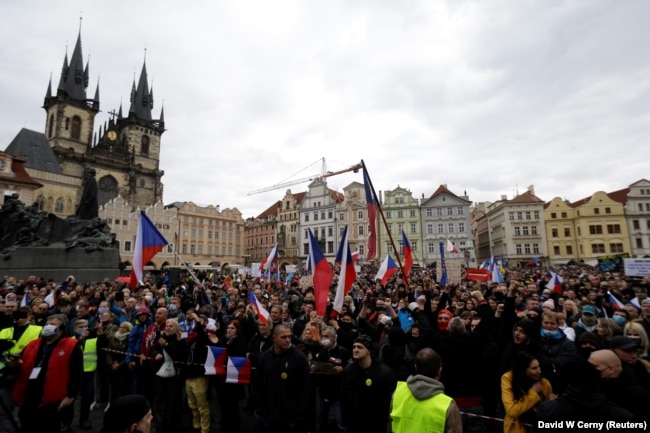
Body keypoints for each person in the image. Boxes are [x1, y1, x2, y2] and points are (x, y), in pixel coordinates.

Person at [12, 314, 83, 433]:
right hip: (29, 398)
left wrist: (71, 396)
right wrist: (14, 365)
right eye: (46, 324)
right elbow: (21, 366)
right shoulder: (32, 344)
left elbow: (76, 373)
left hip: (52, 401)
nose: (48, 327)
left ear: (61, 328)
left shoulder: (71, 345)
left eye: (52, 324)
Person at [389, 348, 462, 433]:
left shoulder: (398, 393)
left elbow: (390, 426)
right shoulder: (448, 407)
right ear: (439, 371)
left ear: (415, 367)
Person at [254, 324, 311, 433]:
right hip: (268, 417)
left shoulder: (299, 359)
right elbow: (257, 385)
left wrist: (297, 416)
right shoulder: (265, 358)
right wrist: (260, 411)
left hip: (290, 419)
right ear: (274, 338)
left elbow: (305, 390)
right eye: (283, 337)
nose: (288, 340)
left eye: (289, 337)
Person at [341, 334, 396, 433]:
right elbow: (345, 396)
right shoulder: (349, 370)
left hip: (376, 425)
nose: (355, 350)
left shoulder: (384, 373)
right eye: (354, 347)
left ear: (368, 351)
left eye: (360, 347)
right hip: (354, 424)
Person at [501, 352, 555, 433]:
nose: (539, 371)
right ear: (523, 370)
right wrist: (533, 392)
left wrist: (552, 404)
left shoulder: (544, 384)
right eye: (534, 368)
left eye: (539, 366)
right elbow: (512, 411)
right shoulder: (508, 379)